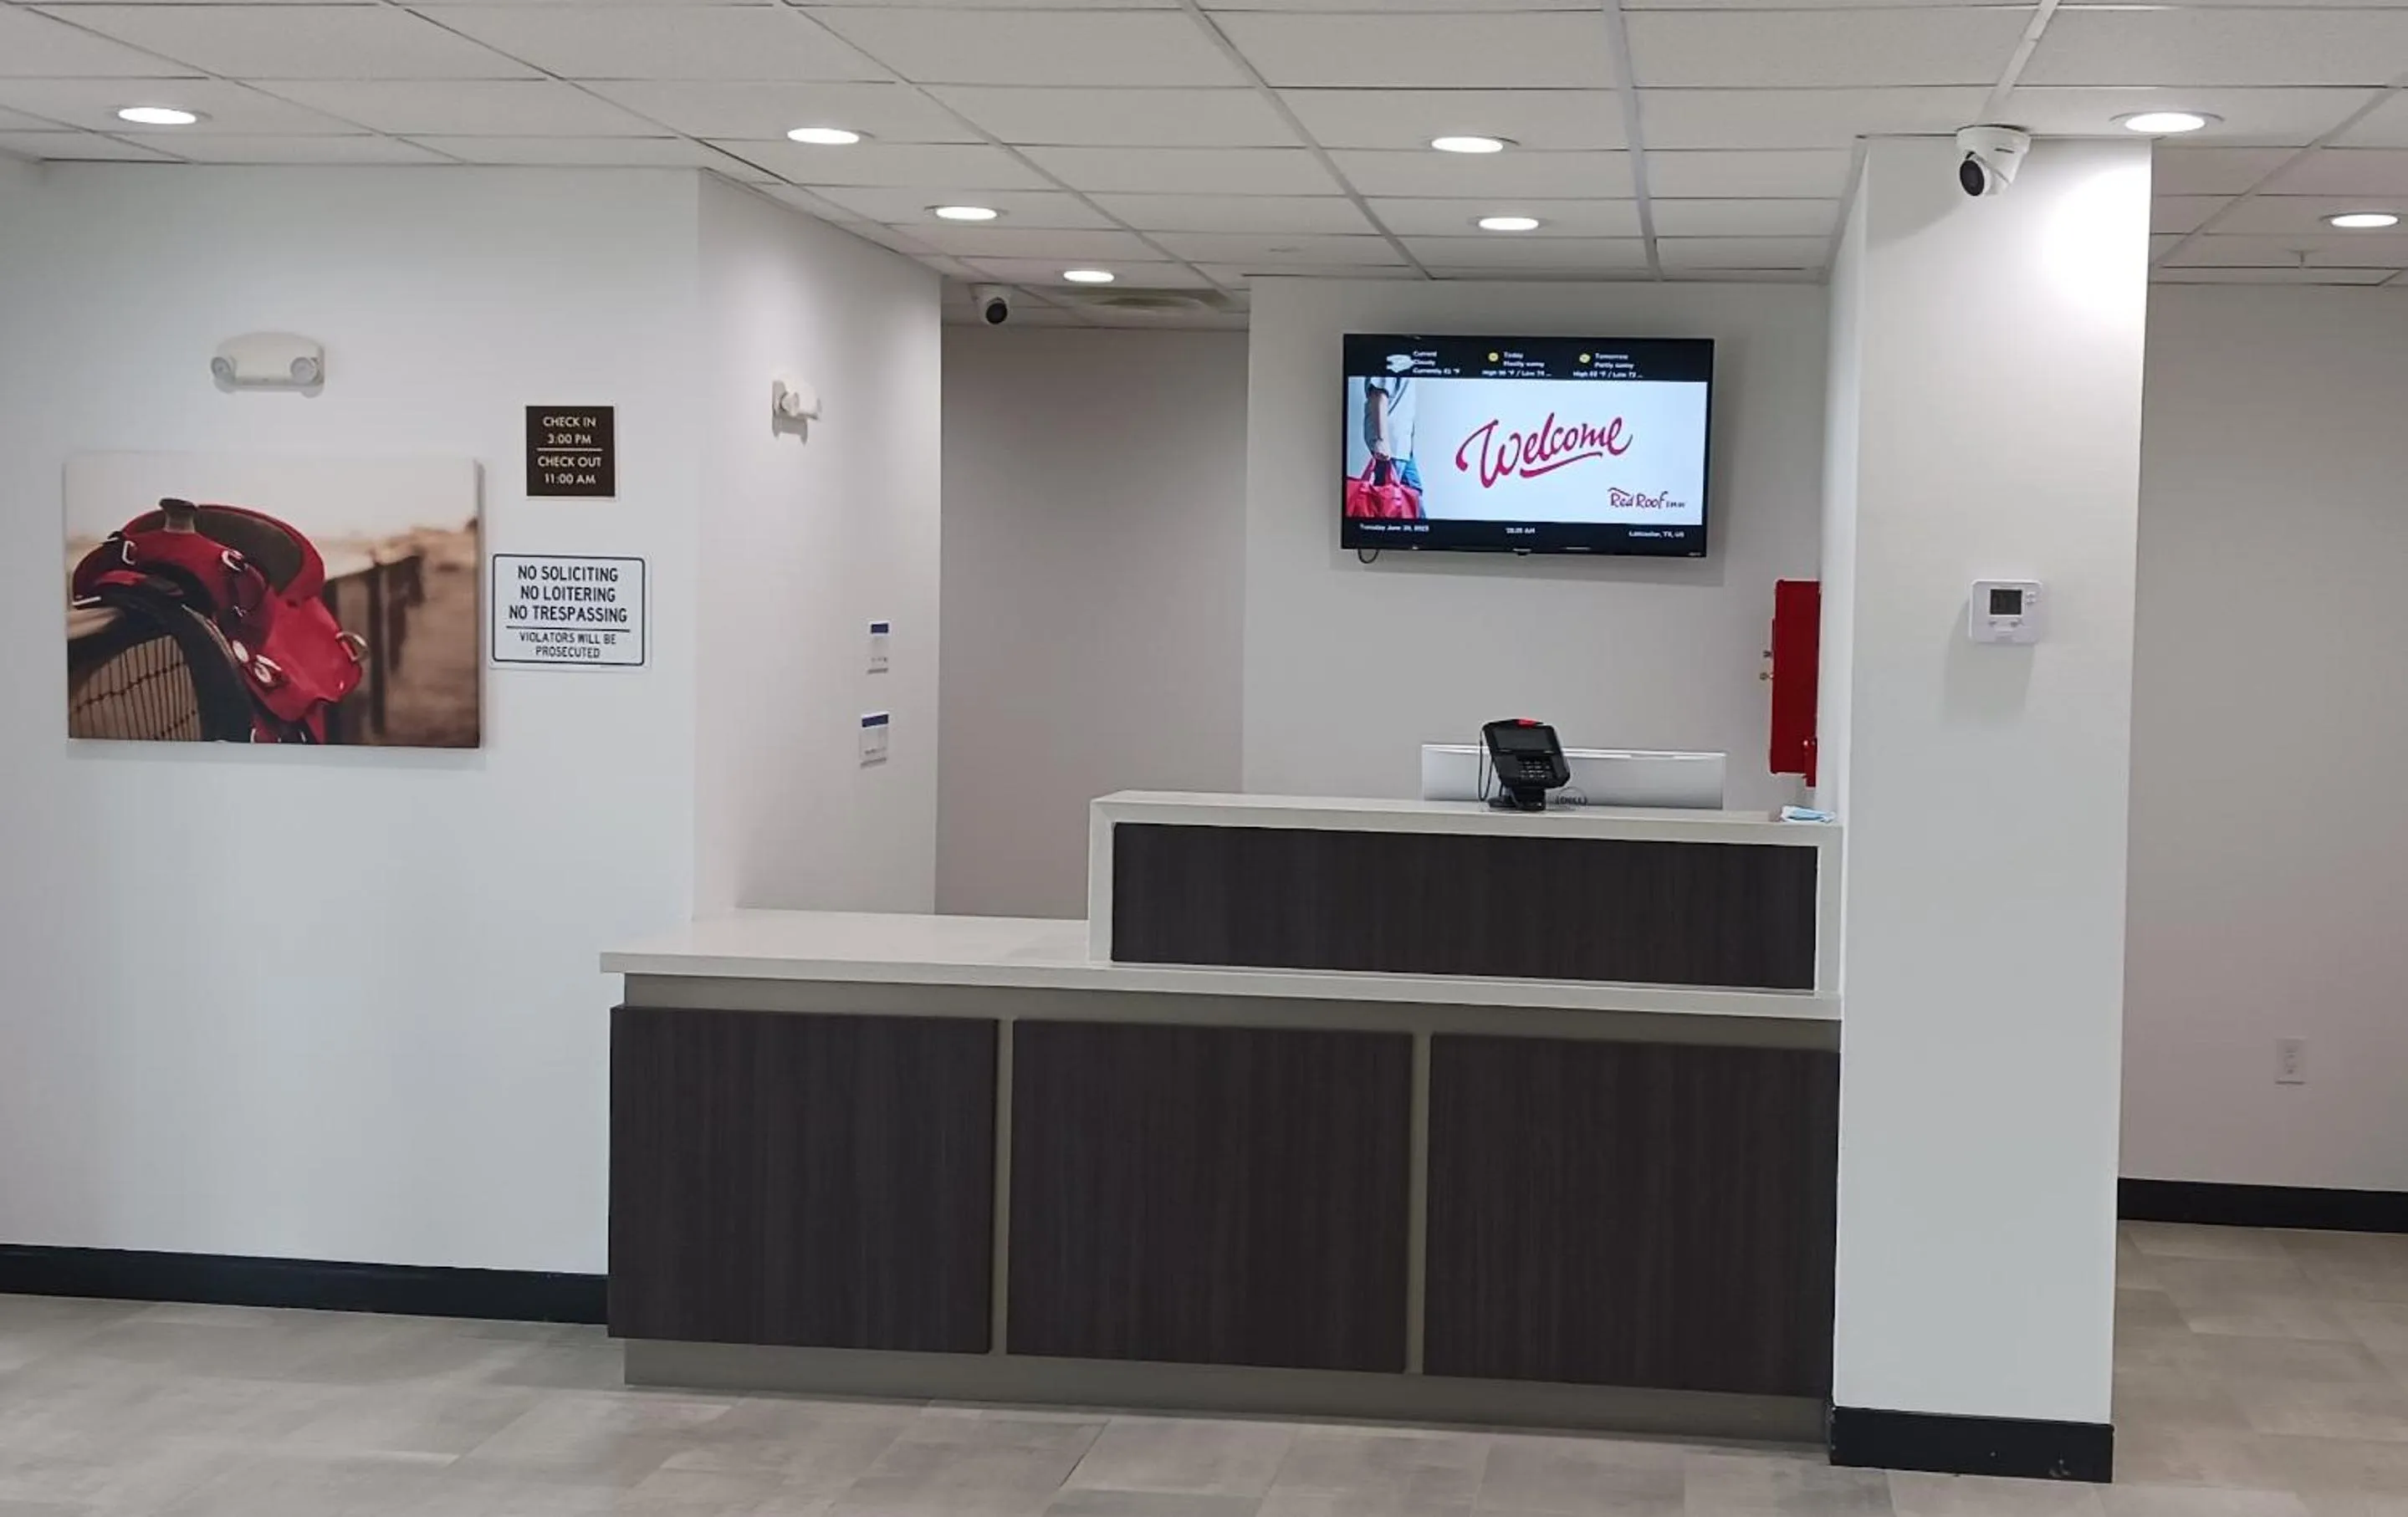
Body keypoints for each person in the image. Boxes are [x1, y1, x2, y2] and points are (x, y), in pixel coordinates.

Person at [1362, 373, 1422, 496]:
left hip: (1403, 446)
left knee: (1413, 494)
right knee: (1386, 499)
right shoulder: (1388, 358)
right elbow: (1378, 394)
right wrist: (1382, 439)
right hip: (1391, 444)